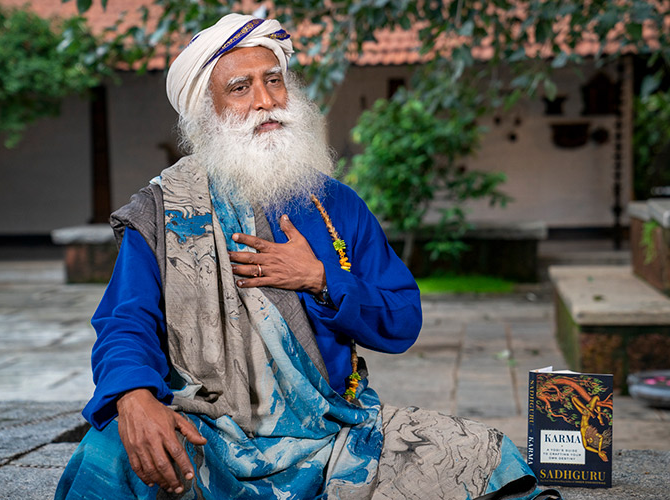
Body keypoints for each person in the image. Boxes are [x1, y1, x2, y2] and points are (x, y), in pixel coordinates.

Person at [56, 13, 560, 500]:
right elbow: (126, 322)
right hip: (205, 430)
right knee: (107, 455)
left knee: (484, 457)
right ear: (206, 115)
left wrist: (322, 278)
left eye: (273, 81)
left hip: (333, 434)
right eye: (240, 88)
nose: (265, 102)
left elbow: (403, 320)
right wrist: (133, 396)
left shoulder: (336, 204)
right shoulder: (165, 212)